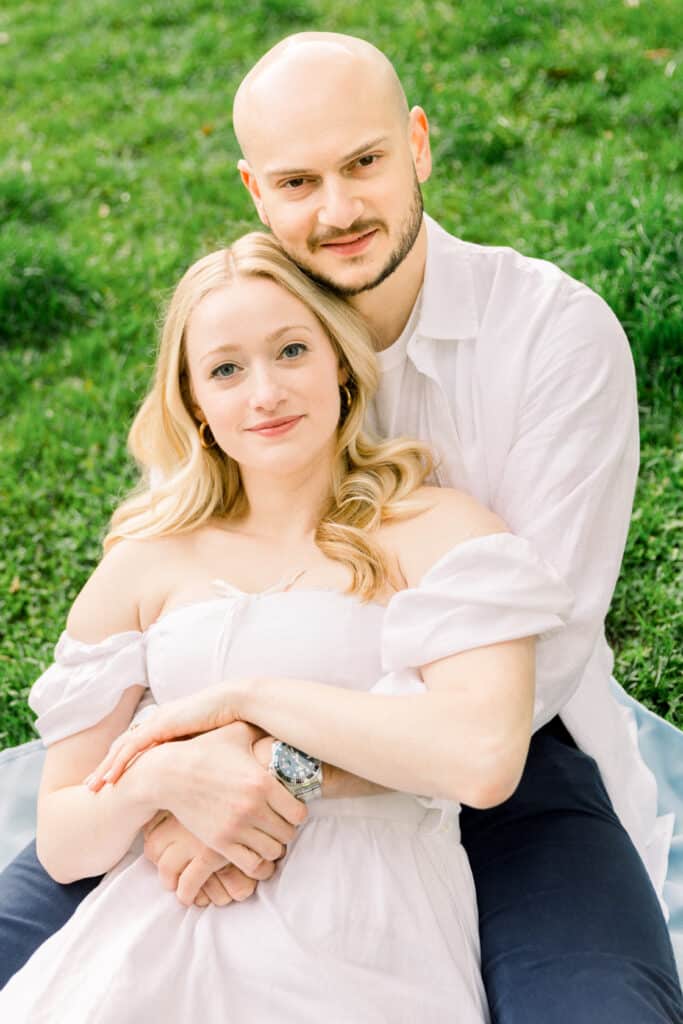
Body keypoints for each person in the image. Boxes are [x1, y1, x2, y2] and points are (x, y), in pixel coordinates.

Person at [0, 30, 681, 1022]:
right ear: (255, 190)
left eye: (362, 162)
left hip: (519, 755)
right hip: (213, 757)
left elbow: (524, 688)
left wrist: (253, 771)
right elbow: (172, 572)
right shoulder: (239, 343)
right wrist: (175, 789)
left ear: (416, 144)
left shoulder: (552, 337)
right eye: (296, 180)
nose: (336, 210)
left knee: (596, 1010)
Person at [0, 232, 573, 1022]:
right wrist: (162, 781)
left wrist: (249, 712)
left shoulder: (436, 529)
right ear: (195, 402)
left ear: (339, 363)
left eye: (291, 350)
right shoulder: (143, 562)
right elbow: (64, 840)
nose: (263, 393)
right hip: (160, 929)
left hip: (365, 936)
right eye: (226, 369)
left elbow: (480, 758)